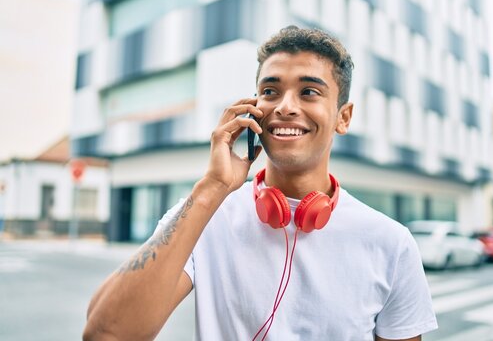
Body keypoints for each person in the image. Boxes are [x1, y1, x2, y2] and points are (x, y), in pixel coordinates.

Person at [83, 26, 437, 341]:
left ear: (343, 117)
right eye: (270, 91)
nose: (285, 106)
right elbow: (107, 334)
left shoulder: (391, 243)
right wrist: (212, 188)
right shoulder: (205, 215)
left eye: (309, 92)